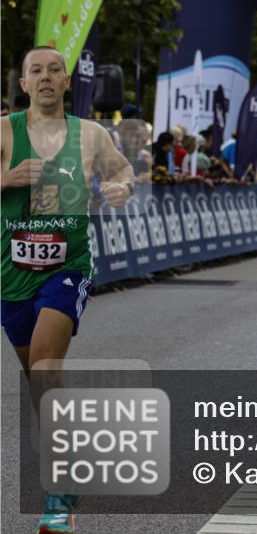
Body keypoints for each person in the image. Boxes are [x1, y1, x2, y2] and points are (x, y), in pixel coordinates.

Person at [2, 46, 135, 533]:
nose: (44, 77)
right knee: (41, 383)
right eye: (34, 70)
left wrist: (122, 186)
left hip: (68, 266)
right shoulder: (4, 130)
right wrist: (6, 178)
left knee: (44, 365)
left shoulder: (92, 134)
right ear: (23, 84)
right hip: (11, 274)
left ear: (65, 81)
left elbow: (120, 170)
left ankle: (57, 501)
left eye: (53, 70)